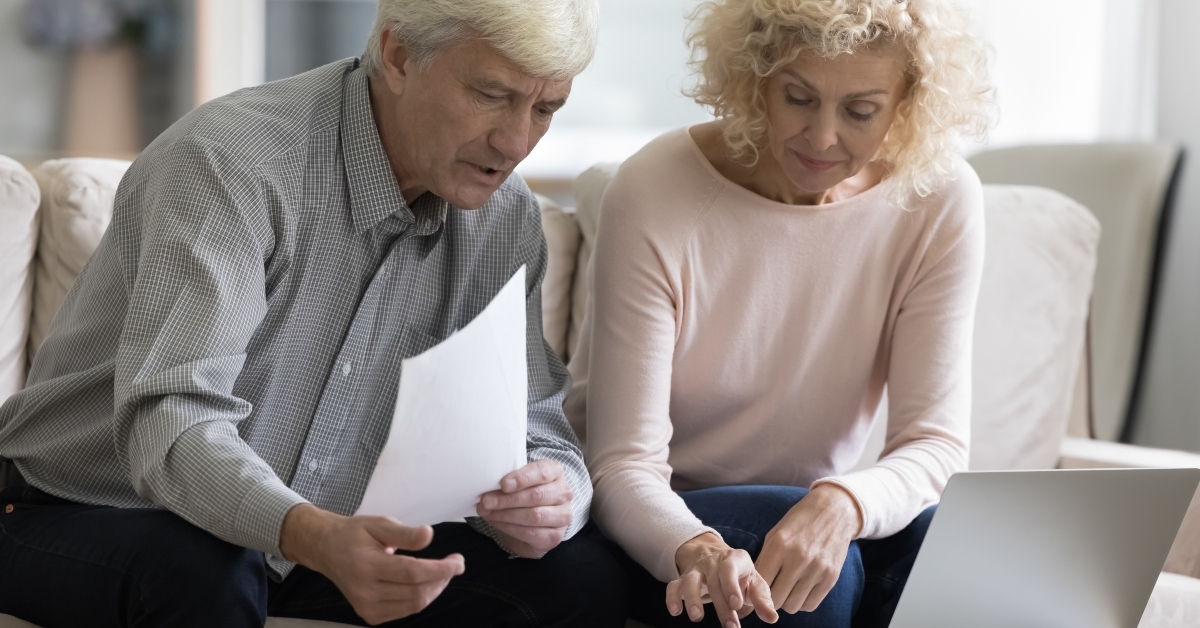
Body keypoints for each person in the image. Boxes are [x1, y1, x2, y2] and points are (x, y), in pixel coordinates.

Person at [0, 1, 628, 626]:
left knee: (586, 576)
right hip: (81, 512)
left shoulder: (505, 216)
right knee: (205, 568)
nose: (516, 141)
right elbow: (173, 417)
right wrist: (310, 535)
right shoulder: (234, 162)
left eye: (545, 109)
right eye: (491, 95)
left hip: (316, 542)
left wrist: (553, 500)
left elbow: (537, 423)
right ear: (399, 55)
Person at [565, 0, 994, 626]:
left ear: (908, 103)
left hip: (806, 508)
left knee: (954, 555)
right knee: (817, 585)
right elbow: (621, 465)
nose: (822, 137)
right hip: (663, 522)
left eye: (860, 111)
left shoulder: (939, 201)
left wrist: (843, 503)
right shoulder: (657, 186)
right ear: (755, 76)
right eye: (797, 98)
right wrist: (701, 545)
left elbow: (933, 443)